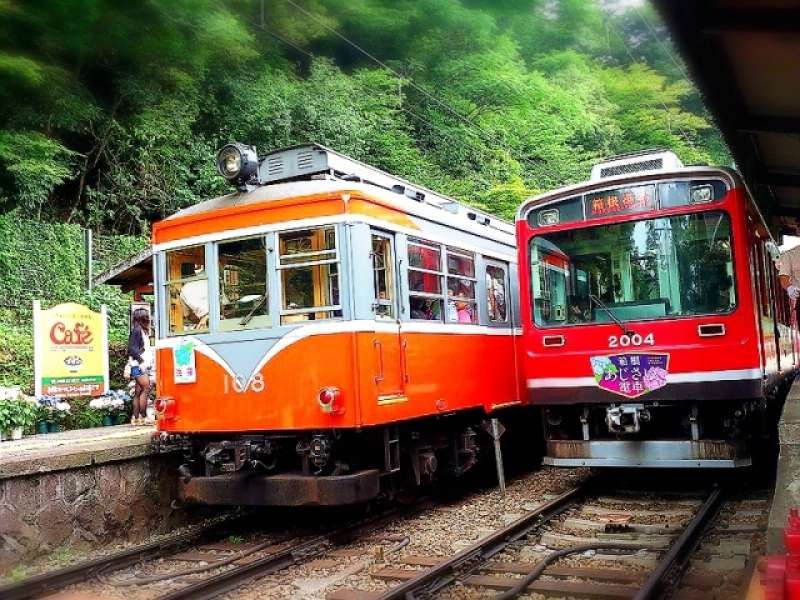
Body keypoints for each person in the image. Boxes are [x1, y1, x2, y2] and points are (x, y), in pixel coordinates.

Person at [127, 309, 153, 426]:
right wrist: (141, 361)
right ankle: (144, 417)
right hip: (138, 365)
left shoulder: (142, 330)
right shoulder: (137, 331)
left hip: (139, 364)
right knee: (146, 388)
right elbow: (131, 349)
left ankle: (136, 418)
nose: (149, 317)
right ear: (142, 317)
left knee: (138, 391)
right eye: (147, 316)